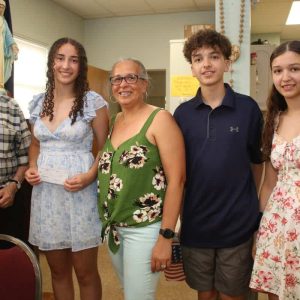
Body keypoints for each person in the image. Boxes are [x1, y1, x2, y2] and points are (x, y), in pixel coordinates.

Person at [173, 29, 264, 300]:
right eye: (198, 58)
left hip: (237, 223)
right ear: (192, 68)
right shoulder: (183, 114)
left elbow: (257, 163)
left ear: (227, 62)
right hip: (196, 222)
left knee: (232, 293)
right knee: (205, 292)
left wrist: (253, 207)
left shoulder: (248, 109)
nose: (207, 64)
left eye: (214, 56)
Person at [25, 37, 109, 300]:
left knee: (85, 272)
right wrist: (30, 166)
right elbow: (35, 144)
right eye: (60, 58)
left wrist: (89, 176)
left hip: (80, 193)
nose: (66, 65)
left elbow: (107, 149)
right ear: (51, 62)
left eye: (74, 60)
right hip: (46, 195)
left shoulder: (93, 103)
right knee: (57, 271)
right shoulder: (39, 103)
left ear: (81, 66)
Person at [98, 58, 185, 300]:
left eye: (131, 78)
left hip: (145, 230)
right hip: (115, 228)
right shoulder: (116, 121)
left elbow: (177, 181)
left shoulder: (161, 119)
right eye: (117, 79)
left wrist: (166, 237)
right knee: (131, 292)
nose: (123, 84)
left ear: (145, 84)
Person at [250, 40, 300, 299]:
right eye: (278, 70)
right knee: (276, 292)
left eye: (295, 69)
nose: (285, 77)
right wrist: (260, 226)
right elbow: (269, 183)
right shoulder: (274, 119)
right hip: (277, 224)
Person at [0, 92, 31, 248]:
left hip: (6, 198)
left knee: (12, 263)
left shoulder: (11, 106)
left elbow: (26, 157)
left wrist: (13, 186)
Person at [0, 0, 18, 91]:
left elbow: (8, 36)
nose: (1, 9)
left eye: (3, 7)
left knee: (1, 64)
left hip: (1, 47)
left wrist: (13, 45)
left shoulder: (3, 21)